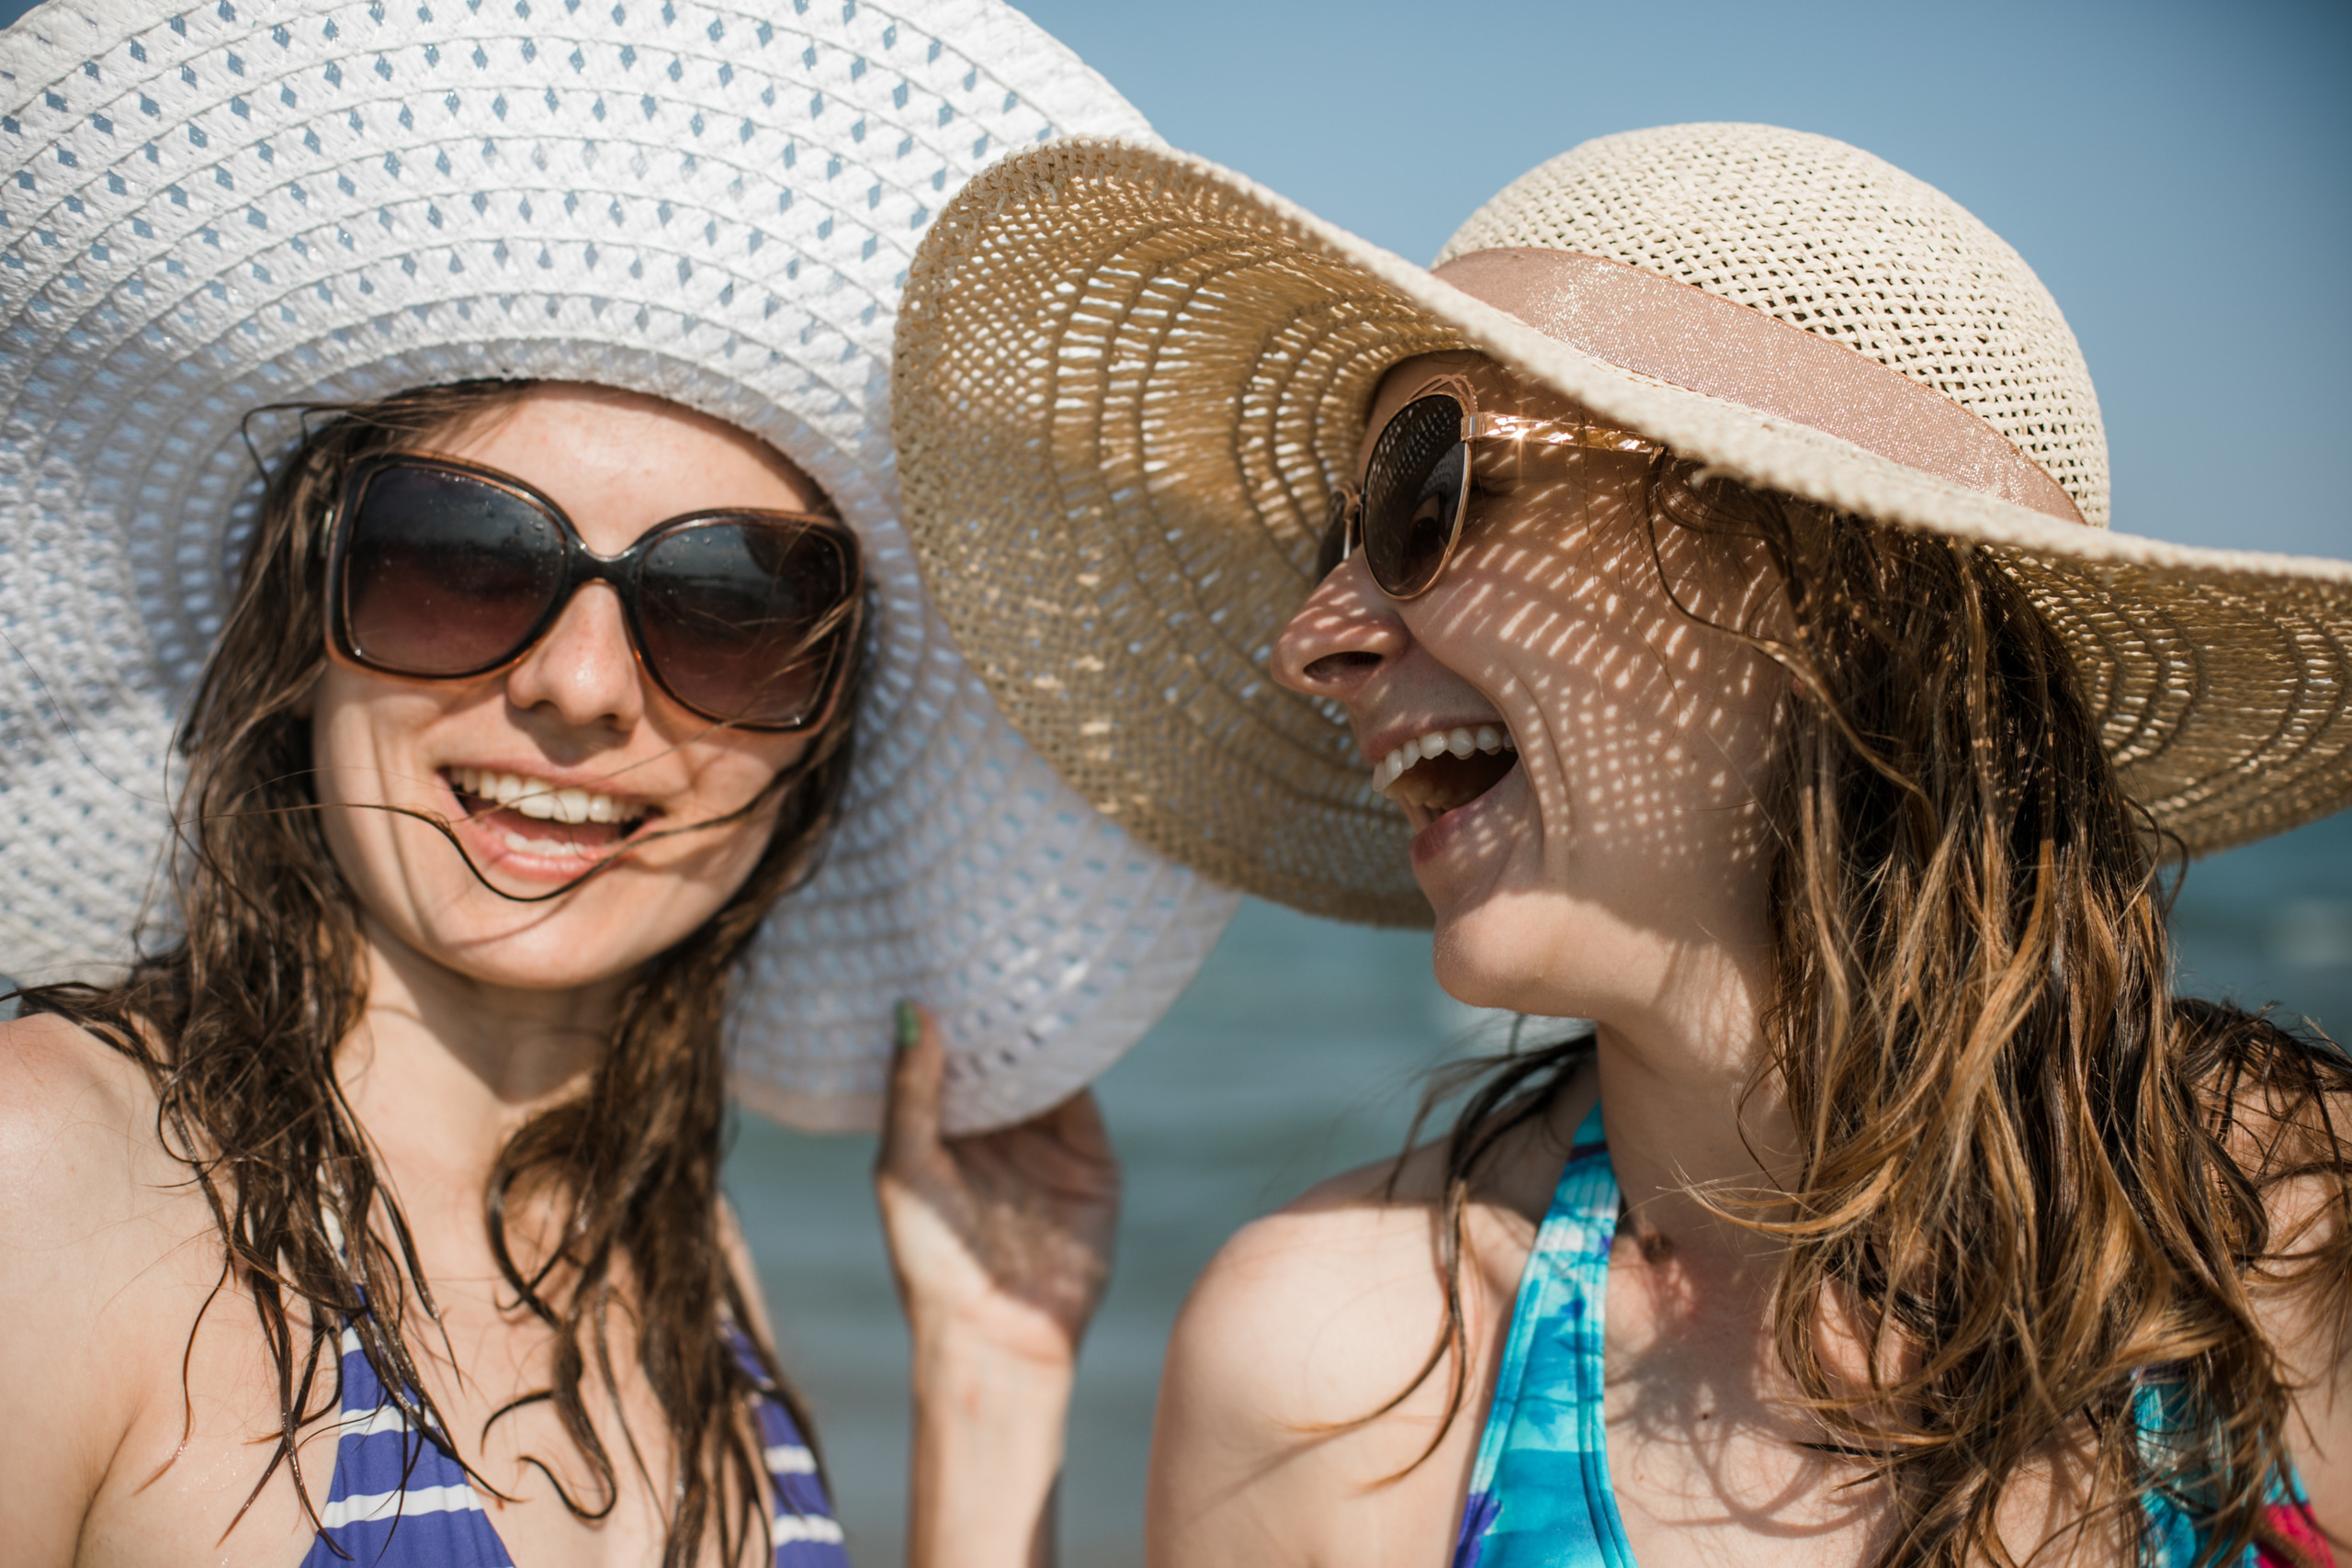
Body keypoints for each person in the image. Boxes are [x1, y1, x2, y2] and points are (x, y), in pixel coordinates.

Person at [889, 126, 2352, 1565]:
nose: (1312, 641)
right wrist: (986, 1379)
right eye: (1331, 547)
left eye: (1424, 499)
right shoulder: (1340, 1375)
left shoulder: (2297, 1233)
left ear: (1827, 580)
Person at [0, 2, 1238, 1563]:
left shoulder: (683, 1266)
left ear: (820, 733)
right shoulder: (47, 1173)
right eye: (463, 562)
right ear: (302, 618)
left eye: (729, 612)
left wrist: (993, 1375)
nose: (581, 687)